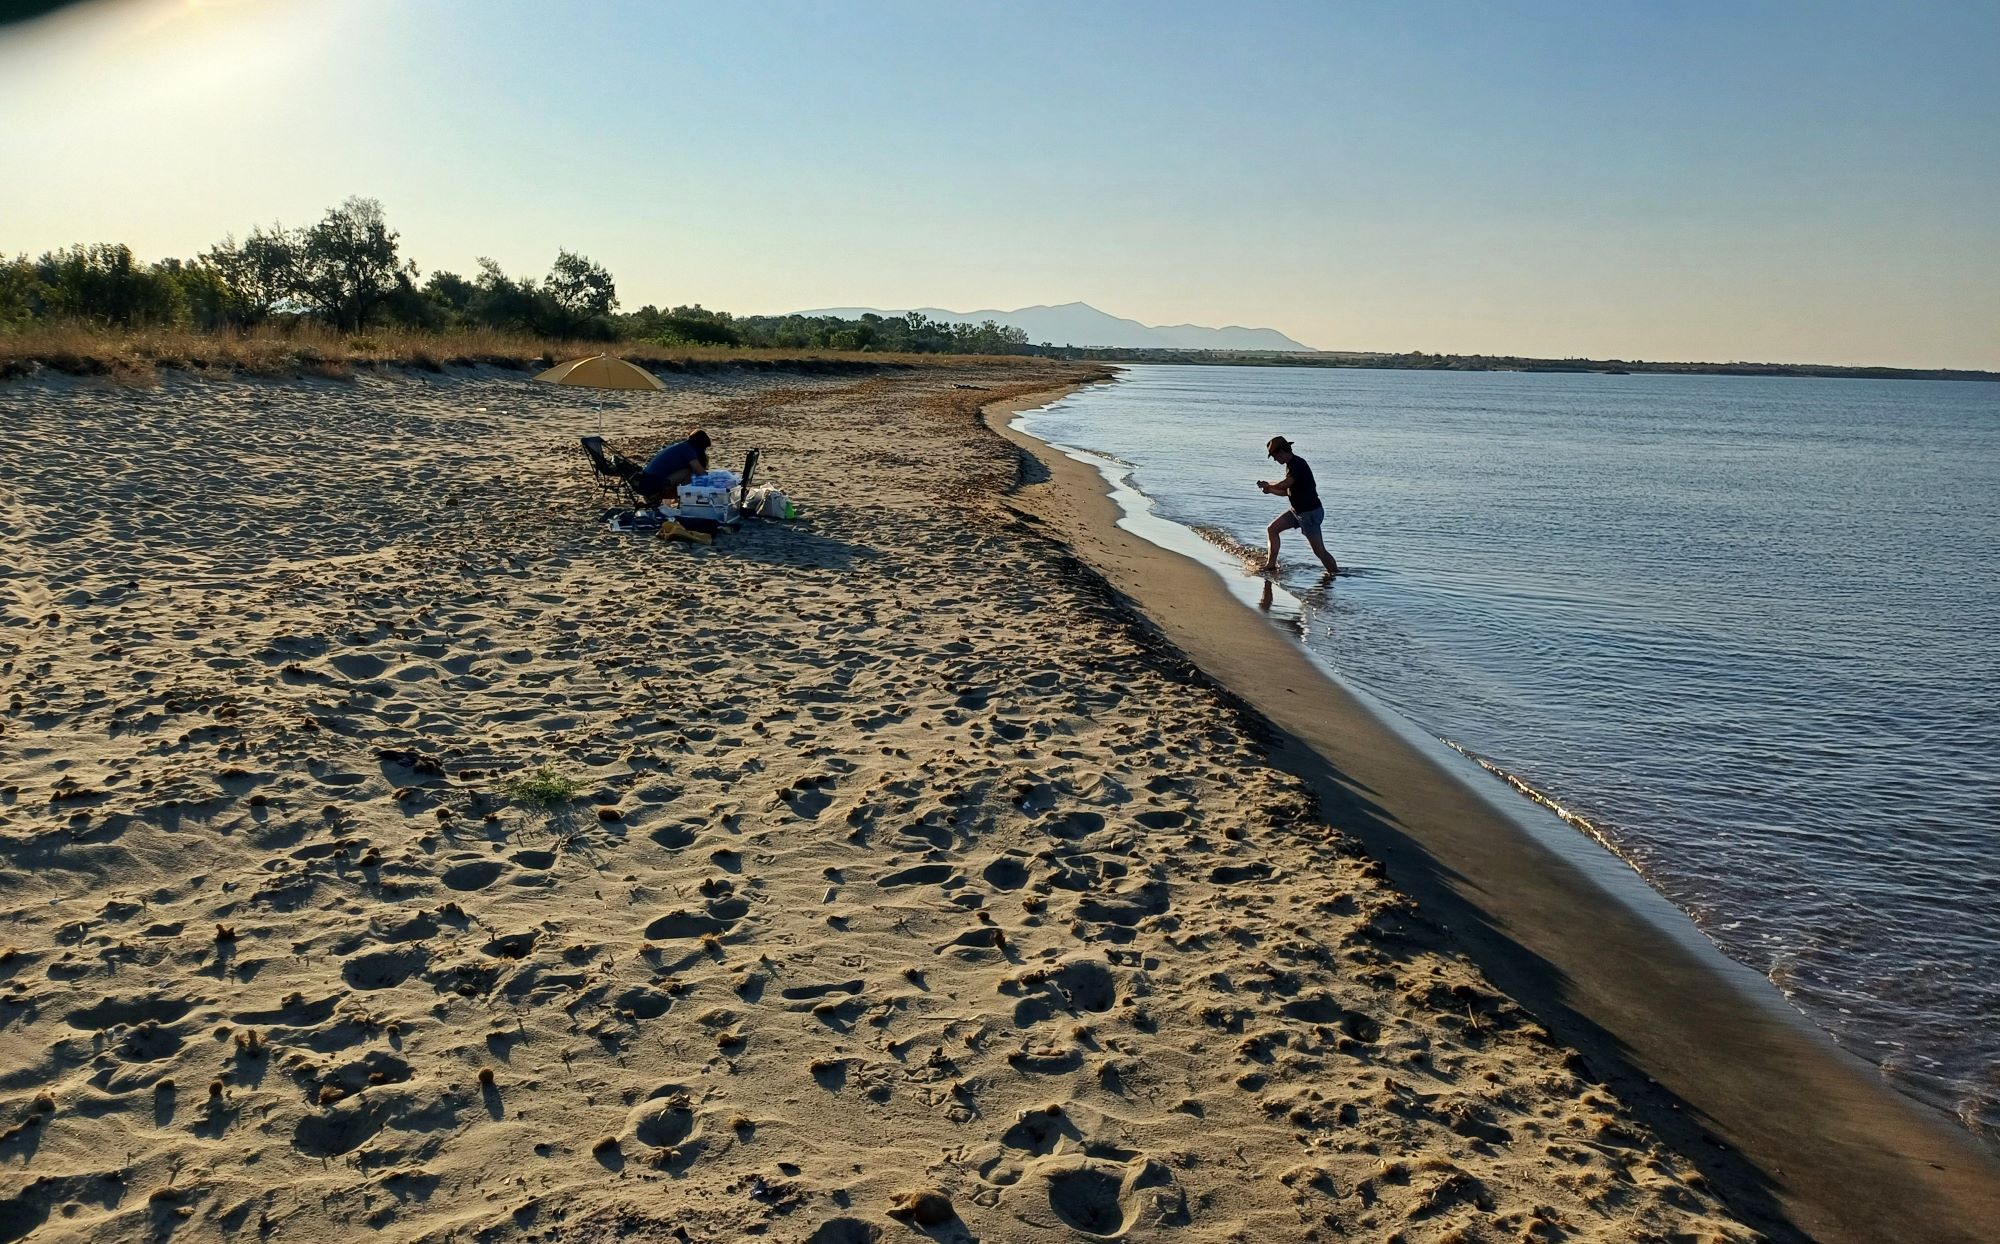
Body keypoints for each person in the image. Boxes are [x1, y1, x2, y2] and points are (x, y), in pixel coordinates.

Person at [1256, 435, 1338, 575]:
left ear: (1281, 452)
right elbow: (1287, 492)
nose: (1275, 460)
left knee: (1319, 552)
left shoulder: (1297, 464)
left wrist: (1269, 485)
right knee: (1272, 529)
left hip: (1310, 513)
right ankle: (1271, 564)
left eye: (1275, 456)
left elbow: (1286, 484)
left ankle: (1335, 574)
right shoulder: (1290, 466)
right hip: (1297, 511)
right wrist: (1270, 490)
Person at [634, 429, 711, 506]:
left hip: (646, 482)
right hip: (652, 486)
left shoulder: (682, 446)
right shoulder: (688, 450)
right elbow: (701, 473)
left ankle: (681, 500)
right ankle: (685, 504)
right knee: (688, 473)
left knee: (686, 487)